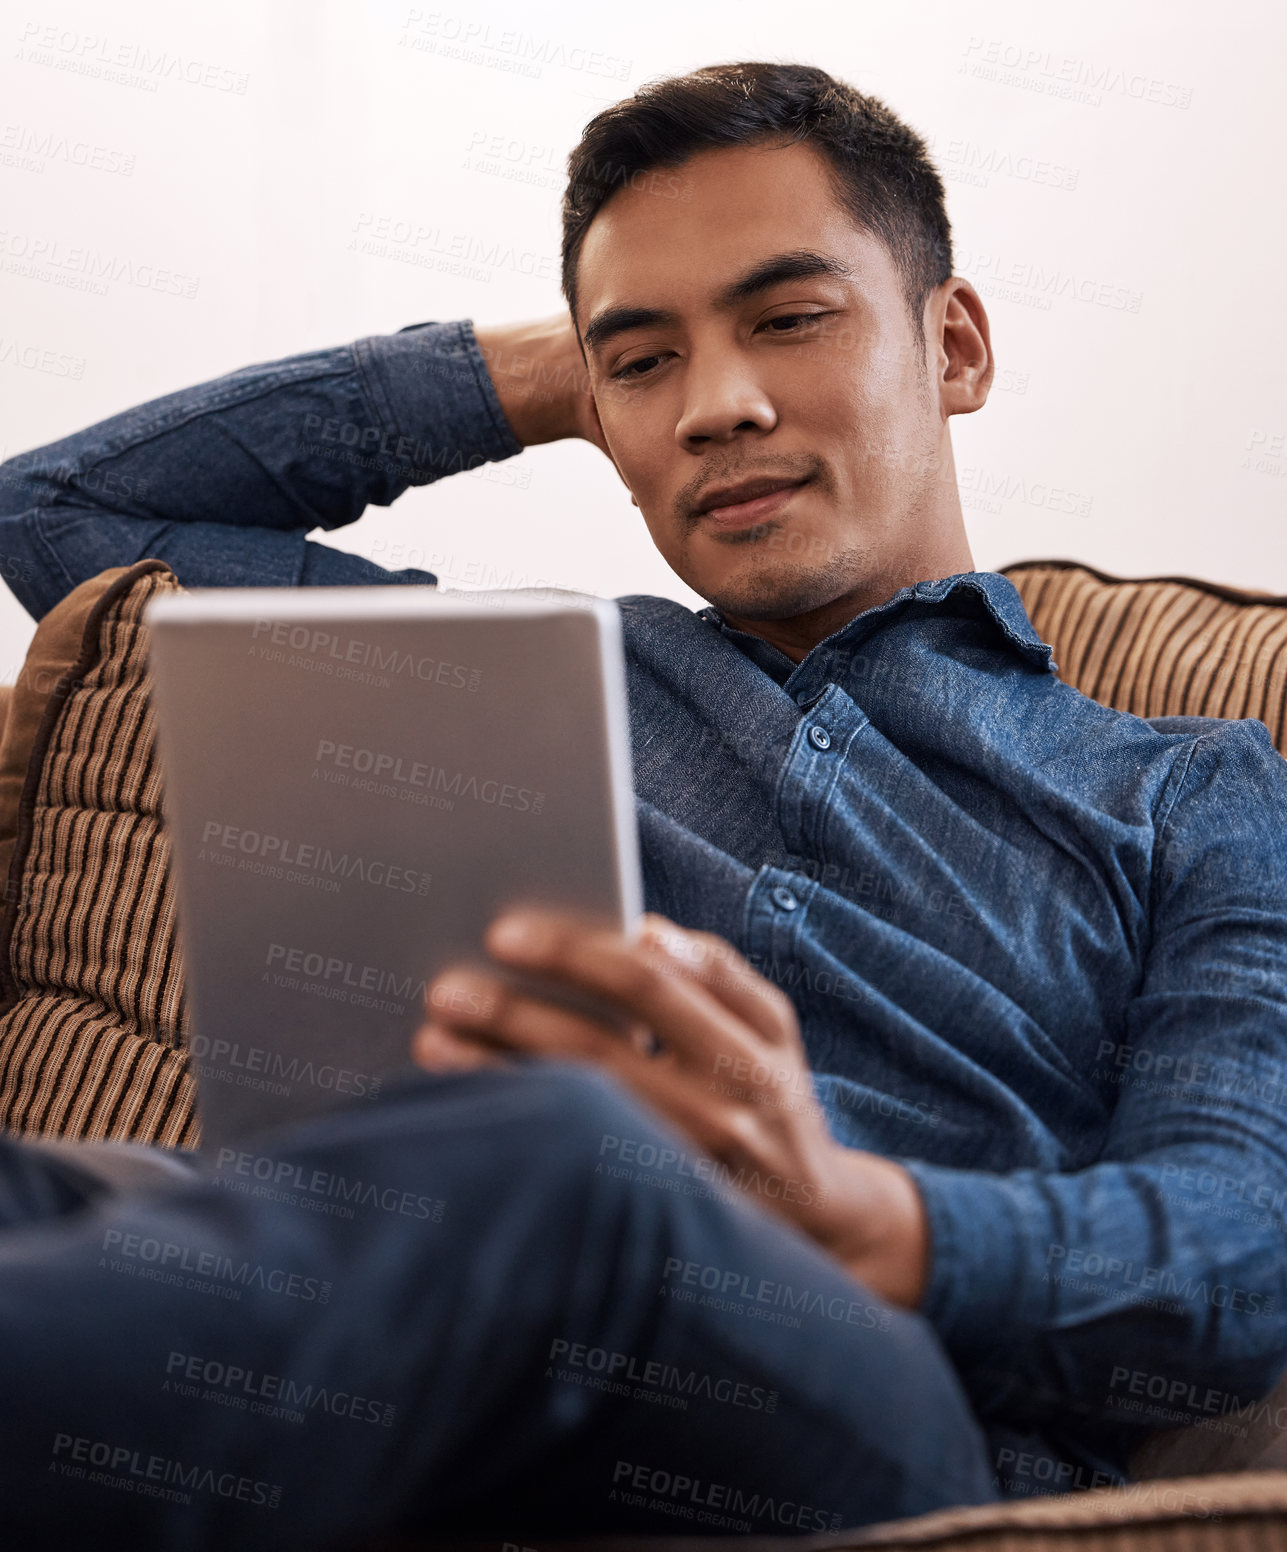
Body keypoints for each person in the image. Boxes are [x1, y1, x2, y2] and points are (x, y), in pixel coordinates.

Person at [0, 57, 1284, 1547]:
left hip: (877, 1425)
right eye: (649, 361)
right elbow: (59, 520)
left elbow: (1240, 1255)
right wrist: (565, 373)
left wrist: (864, 1218)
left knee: (575, 1162)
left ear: (956, 345)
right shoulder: (527, 678)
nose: (718, 407)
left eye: (789, 318)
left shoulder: (1196, 790)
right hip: (444, 1347)